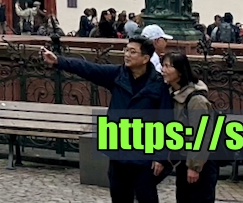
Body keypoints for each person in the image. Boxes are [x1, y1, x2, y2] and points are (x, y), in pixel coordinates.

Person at [39, 37, 173, 203]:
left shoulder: (158, 84)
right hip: (118, 152)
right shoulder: (118, 75)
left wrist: (160, 157)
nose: (127, 55)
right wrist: (58, 61)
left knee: (147, 197)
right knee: (119, 197)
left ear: (145, 58)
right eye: (126, 50)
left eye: (132, 52)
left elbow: (166, 121)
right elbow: (88, 68)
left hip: (144, 155)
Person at [159, 52, 217, 203]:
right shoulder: (173, 94)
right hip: (183, 160)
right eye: (163, 65)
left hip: (200, 163)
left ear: (180, 71)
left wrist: (194, 167)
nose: (163, 70)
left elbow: (202, 135)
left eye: (168, 66)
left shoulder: (196, 100)